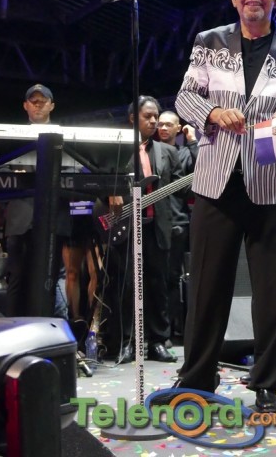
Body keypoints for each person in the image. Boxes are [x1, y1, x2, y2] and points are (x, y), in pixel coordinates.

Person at [158, 0, 276, 414]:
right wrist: (212, 112)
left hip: (273, 181)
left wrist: (272, 128)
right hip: (217, 180)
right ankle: (197, 378)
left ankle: (266, 383)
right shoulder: (209, 41)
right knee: (207, 286)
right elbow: (186, 96)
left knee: (272, 290)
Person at [107, 96, 185, 363]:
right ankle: (128, 342)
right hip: (127, 225)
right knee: (127, 285)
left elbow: (181, 187)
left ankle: (158, 341)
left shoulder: (167, 152)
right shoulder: (117, 147)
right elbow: (101, 177)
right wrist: (111, 192)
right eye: (148, 116)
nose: (154, 121)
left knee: (157, 285)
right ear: (133, 118)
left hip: (157, 227)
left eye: (156, 117)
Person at [4, 84, 70, 317]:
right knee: (17, 277)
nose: (38, 105)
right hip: (21, 217)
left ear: (52, 105)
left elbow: (76, 169)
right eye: (33, 101)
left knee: (55, 276)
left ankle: (58, 330)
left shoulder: (65, 135)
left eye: (43, 101)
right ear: (25, 106)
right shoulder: (10, 135)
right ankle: (13, 330)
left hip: (55, 216)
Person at [157, 110, 198, 341]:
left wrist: (192, 140)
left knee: (173, 278)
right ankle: (158, 331)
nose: (163, 128)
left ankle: (172, 331)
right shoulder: (151, 151)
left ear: (178, 127)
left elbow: (202, 171)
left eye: (168, 125)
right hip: (155, 221)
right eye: (160, 124)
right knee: (157, 278)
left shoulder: (184, 153)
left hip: (178, 221)